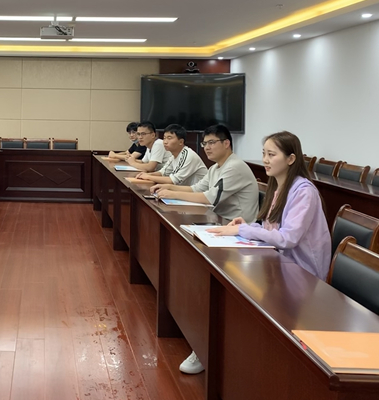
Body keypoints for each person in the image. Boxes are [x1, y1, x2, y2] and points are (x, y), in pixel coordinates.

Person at [152, 124, 258, 376]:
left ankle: (203, 345)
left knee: (200, 279)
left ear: (226, 143)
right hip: (221, 229)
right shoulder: (217, 167)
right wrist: (168, 190)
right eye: (204, 143)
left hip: (239, 240)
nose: (207, 147)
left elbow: (209, 199)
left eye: (212, 143)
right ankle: (193, 330)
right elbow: (197, 189)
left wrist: (171, 192)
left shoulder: (234, 167)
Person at [207, 131, 331, 279]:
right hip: (281, 263)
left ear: (291, 159)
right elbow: (272, 230)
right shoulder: (278, 187)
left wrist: (243, 230)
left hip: (303, 273)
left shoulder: (304, 192)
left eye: (271, 155)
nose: (265, 160)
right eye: (264, 154)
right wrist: (249, 227)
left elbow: (287, 238)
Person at [136, 124, 207, 186]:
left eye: (169, 138)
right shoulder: (173, 156)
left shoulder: (187, 155)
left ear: (181, 142)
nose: (165, 142)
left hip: (198, 194)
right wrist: (145, 175)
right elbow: (163, 172)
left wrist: (149, 177)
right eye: (164, 138)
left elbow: (173, 180)